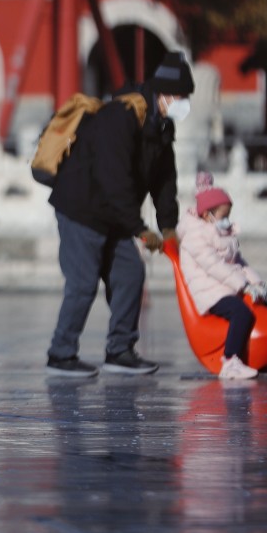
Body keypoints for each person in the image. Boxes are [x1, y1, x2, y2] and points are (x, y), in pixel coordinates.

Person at [45, 50, 195, 377]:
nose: (184, 104)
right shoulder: (120, 117)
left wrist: (167, 226)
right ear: (164, 94)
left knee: (129, 275)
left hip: (113, 215)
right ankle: (61, 354)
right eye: (181, 96)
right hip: (81, 209)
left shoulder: (161, 127)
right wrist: (141, 229)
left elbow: (165, 181)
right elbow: (115, 180)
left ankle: (120, 351)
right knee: (83, 284)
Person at [175, 172, 266, 381]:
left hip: (226, 286)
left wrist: (255, 282)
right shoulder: (195, 237)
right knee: (241, 313)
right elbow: (214, 266)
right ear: (207, 215)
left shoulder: (222, 234)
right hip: (211, 292)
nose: (226, 221)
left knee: (263, 306)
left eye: (228, 215)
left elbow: (238, 262)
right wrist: (243, 286)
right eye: (223, 216)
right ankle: (230, 360)